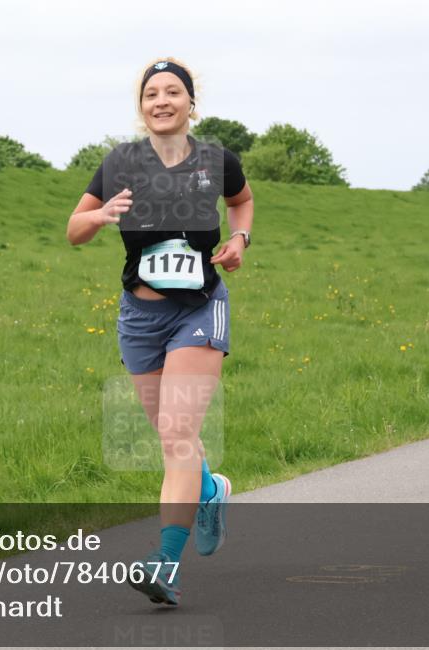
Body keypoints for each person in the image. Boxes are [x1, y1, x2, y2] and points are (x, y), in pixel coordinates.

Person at [66, 57, 254, 606]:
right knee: (176, 442)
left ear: (191, 103)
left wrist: (240, 241)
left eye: (174, 92)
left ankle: (165, 563)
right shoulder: (120, 162)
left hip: (198, 310)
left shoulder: (218, 161)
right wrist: (99, 218)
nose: (162, 101)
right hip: (139, 318)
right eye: (152, 94)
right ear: (141, 106)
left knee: (176, 436)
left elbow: (241, 202)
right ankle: (211, 488)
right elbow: (73, 229)